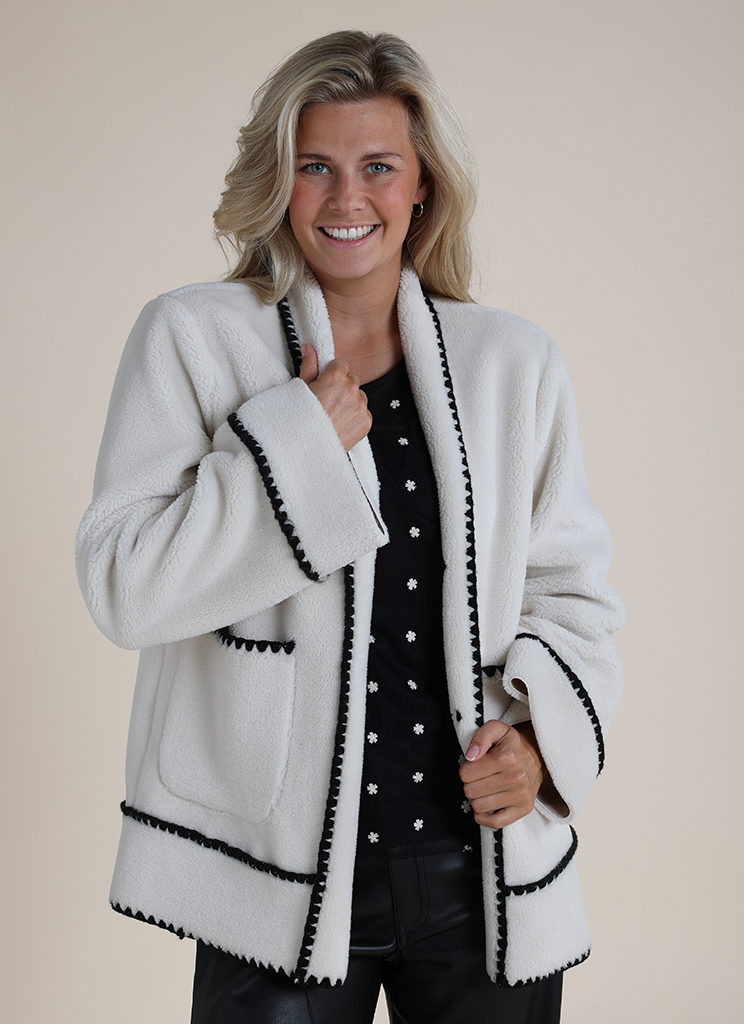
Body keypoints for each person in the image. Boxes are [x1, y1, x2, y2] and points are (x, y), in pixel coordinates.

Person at [76, 29, 624, 1024]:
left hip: (480, 871)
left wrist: (540, 744)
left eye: (378, 166)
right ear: (278, 180)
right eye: (314, 166)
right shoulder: (193, 338)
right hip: (271, 878)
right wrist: (293, 447)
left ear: (422, 184)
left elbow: (572, 593)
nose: (346, 199)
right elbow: (124, 583)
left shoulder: (514, 364)